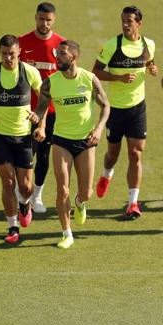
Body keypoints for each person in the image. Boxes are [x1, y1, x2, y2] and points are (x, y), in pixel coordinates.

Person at [34, 40, 109, 249]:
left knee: (86, 192)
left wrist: (98, 129)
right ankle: (67, 233)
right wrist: (36, 120)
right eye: (57, 54)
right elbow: (41, 109)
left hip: (86, 141)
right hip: (61, 141)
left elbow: (106, 105)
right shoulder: (50, 82)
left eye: (62, 54)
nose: (57, 57)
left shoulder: (89, 79)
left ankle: (80, 202)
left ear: (74, 57)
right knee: (62, 188)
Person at [93, 6, 157, 219]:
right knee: (113, 154)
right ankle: (105, 175)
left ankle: (132, 203)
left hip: (138, 108)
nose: (125, 24)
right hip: (116, 109)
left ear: (139, 23)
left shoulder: (149, 44)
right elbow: (96, 72)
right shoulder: (112, 45)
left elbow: (149, 62)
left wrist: (152, 69)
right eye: (123, 20)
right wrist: (118, 78)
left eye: (129, 20)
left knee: (136, 153)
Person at [0, 34, 43, 243]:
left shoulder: (30, 72)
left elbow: (44, 98)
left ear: (20, 53)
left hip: (24, 136)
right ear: (0, 51)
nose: (8, 58)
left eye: (12, 54)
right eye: (5, 54)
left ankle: (25, 203)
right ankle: (12, 226)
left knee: (25, 187)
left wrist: (39, 119)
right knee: (7, 181)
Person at [19, 2, 65, 213]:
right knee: (23, 154)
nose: (44, 23)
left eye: (48, 20)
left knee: (44, 155)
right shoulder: (21, 43)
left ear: (54, 20)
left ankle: (37, 195)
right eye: (41, 19)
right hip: (24, 110)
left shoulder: (61, 46)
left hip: (51, 112)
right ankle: (21, 192)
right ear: (35, 18)